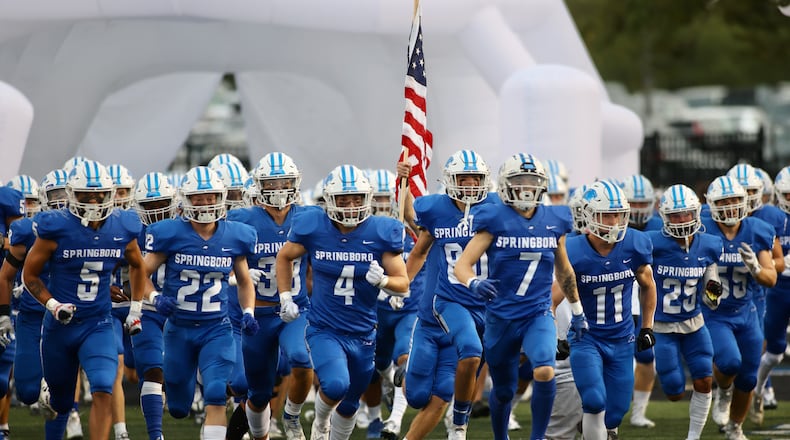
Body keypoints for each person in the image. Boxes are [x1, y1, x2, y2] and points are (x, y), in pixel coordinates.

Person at [453, 153, 584, 440]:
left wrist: (576, 311)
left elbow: (565, 272)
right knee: (502, 389)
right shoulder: (494, 217)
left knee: (545, 369)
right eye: (519, 180)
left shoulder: (555, 219)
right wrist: (473, 282)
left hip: (537, 313)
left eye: (532, 180)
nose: (526, 187)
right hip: (501, 316)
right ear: (505, 185)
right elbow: (462, 265)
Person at [275, 164, 409, 440]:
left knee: (349, 403)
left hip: (363, 332)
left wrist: (383, 281)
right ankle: (321, 423)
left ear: (367, 198)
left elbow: (403, 283)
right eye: (343, 199)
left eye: (357, 199)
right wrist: (285, 295)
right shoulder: (314, 226)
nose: (350, 206)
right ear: (330, 200)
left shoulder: (380, 231)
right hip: (325, 328)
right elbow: (285, 256)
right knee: (336, 385)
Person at [20, 160, 148, 440]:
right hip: (60, 326)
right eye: (84, 196)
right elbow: (29, 275)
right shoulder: (56, 227)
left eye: (97, 195)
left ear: (108, 195)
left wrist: (136, 307)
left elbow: (138, 265)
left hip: (98, 322)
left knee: (103, 384)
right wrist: (53, 305)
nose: (92, 201)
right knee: (61, 402)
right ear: (71, 196)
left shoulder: (122, 227)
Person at [142, 165, 259, 440]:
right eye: (198, 197)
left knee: (217, 392)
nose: (205, 203)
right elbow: (141, 274)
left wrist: (248, 311)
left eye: (210, 197)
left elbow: (244, 281)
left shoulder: (235, 235)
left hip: (216, 328)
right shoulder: (170, 233)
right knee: (180, 407)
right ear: (186, 200)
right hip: (179, 329)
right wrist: (154, 297)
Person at [398, 150, 496, 440]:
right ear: (451, 180)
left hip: (476, 309)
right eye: (462, 178)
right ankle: (404, 375)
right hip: (437, 313)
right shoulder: (438, 210)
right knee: (416, 397)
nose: (468, 184)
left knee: (443, 393)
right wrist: (401, 284)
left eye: (475, 178)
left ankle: (458, 425)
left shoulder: (494, 208)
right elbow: (417, 241)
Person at [227, 152, 316, 440]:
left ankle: (291, 415)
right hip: (258, 316)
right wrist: (233, 275)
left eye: (284, 182)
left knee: (302, 359)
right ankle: (259, 434)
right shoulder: (242, 219)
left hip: (294, 311)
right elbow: (215, 250)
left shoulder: (308, 217)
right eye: (272, 182)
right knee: (258, 392)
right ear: (259, 186)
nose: (279, 188)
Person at [565, 180, 657, 440]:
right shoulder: (573, 249)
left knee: (616, 411)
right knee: (594, 400)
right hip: (587, 338)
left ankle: (597, 432)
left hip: (622, 338)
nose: (614, 221)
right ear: (589, 215)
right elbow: (553, 297)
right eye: (607, 214)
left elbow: (649, 286)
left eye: (618, 214)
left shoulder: (635, 244)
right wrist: (556, 333)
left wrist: (647, 326)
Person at [702, 175, 776, 440]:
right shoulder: (703, 229)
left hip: (747, 313)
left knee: (748, 379)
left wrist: (755, 268)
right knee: (729, 361)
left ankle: (735, 427)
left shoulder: (756, 230)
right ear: (712, 204)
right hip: (715, 313)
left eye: (735, 199)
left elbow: (771, 276)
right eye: (724, 201)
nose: (731, 206)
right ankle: (722, 392)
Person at [647, 184, 723, 440]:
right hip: (662, 326)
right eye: (675, 216)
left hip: (694, 323)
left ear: (696, 214)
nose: (682, 220)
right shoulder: (652, 243)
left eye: (687, 214)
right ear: (664, 217)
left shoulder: (709, 244)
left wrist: (713, 291)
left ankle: (693, 437)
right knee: (674, 391)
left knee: (704, 379)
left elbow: (712, 299)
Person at [131, 171, 178, 440]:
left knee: (179, 389)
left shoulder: (186, 226)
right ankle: (155, 435)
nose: (157, 210)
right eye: (150, 205)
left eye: (161, 203)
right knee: (153, 368)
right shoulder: (130, 229)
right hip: (145, 308)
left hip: (180, 310)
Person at [621, 173, 661, 429]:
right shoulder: (611, 223)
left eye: (641, 203)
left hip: (645, 299)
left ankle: (638, 413)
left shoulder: (660, 227)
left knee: (647, 358)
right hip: (616, 299)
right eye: (632, 203)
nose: (636, 209)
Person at [753, 166, 790, 424]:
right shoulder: (769, 216)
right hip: (778, 288)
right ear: (777, 194)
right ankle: (759, 388)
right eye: (789, 195)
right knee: (775, 351)